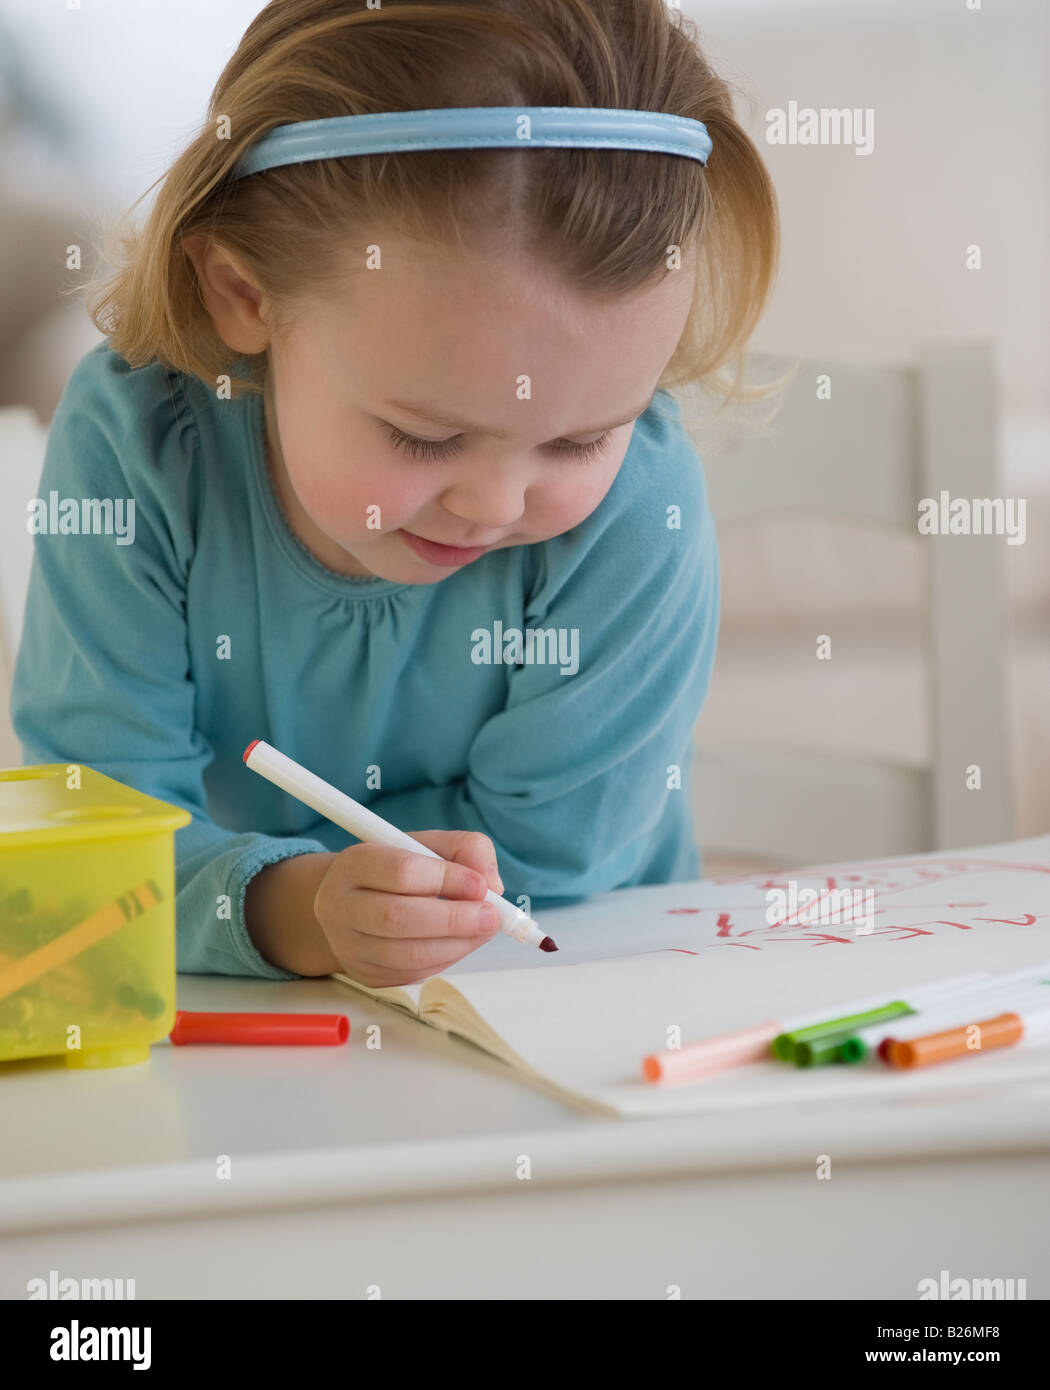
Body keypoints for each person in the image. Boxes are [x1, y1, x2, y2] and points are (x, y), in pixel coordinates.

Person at [11, 0, 779, 989]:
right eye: (426, 435)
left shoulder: (642, 501)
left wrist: (343, 908)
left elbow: (554, 867)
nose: (496, 503)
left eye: (583, 437)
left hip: (569, 1000)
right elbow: (98, 839)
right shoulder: (141, 448)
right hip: (224, 1032)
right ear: (244, 295)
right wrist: (296, 912)